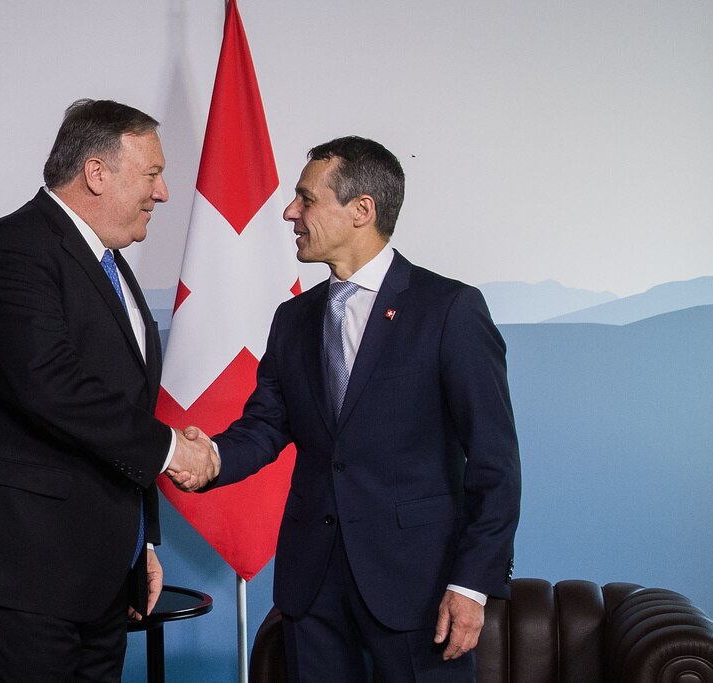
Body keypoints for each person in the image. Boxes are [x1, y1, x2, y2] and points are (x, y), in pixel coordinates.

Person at [174, 136, 520, 682]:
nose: (290, 211)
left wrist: (470, 585)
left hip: (417, 587)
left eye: (306, 199)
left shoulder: (449, 310)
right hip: (314, 587)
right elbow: (266, 426)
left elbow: (495, 464)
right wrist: (212, 458)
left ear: (362, 210)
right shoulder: (294, 320)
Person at [0, 98, 219, 682]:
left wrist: (142, 543)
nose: (162, 193)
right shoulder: (13, 249)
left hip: (96, 578)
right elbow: (49, 384)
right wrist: (172, 449)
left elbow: (119, 404)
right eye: (152, 173)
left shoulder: (109, 262)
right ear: (96, 173)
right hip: (14, 575)